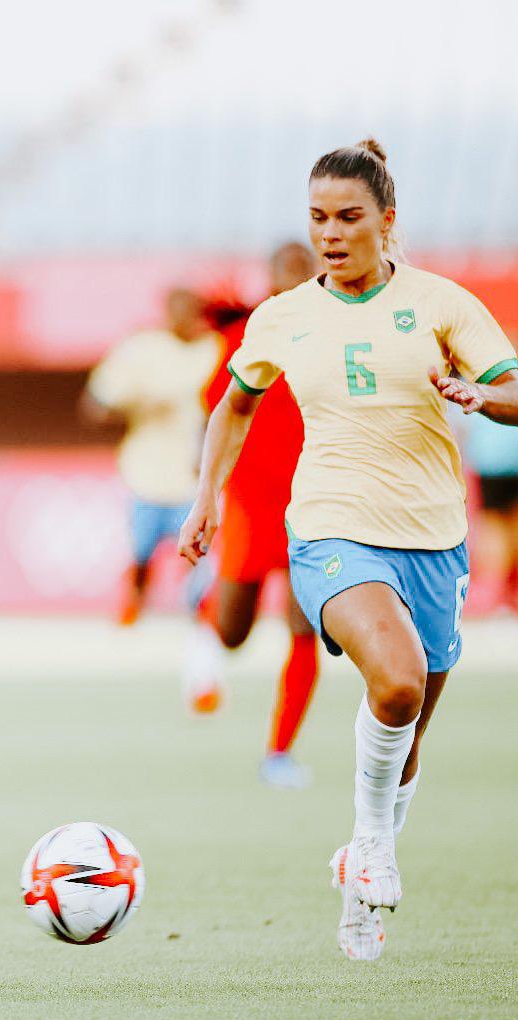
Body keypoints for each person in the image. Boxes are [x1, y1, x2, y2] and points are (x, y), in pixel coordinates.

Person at [180, 139, 518, 961]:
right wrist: (206, 498)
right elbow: (235, 405)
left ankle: (363, 863)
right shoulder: (283, 316)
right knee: (400, 681)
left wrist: (479, 394)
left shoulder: (443, 303)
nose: (331, 234)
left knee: (408, 732)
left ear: (387, 221)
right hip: (332, 526)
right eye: (318, 219)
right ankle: (372, 846)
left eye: (348, 217)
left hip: (436, 537)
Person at [194, 242, 322, 783]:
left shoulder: (332, 335)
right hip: (250, 502)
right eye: (284, 272)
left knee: (303, 625)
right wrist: (207, 491)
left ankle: (279, 752)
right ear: (268, 279)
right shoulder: (243, 337)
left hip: (315, 504)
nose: (294, 280)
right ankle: (201, 610)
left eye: (303, 271)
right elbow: (215, 412)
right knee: (232, 634)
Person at [83, 287, 220, 627]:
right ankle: (136, 598)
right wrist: (136, 403)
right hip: (145, 477)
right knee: (141, 553)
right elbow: (95, 406)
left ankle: (200, 613)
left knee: (199, 556)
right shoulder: (140, 350)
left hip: (193, 482)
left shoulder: (213, 351)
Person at [459, 352, 518, 613]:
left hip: (509, 466)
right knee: (499, 528)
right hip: (496, 466)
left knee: (510, 527)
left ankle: (504, 594)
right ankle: (500, 594)